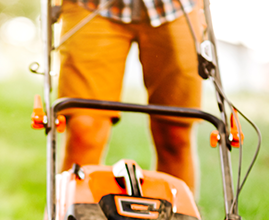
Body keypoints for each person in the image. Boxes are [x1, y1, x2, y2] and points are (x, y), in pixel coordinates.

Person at [58, 0, 204, 193]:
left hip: (175, 8)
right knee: (84, 126)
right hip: (92, 6)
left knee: (175, 134)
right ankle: (72, 218)